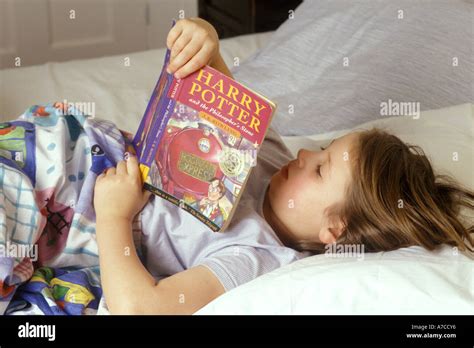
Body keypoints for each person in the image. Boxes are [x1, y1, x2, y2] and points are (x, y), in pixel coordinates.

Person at [93, 18, 473, 315]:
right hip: (85, 139)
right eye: (321, 149)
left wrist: (113, 217)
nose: (304, 155)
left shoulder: (255, 258)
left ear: (334, 229)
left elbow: (140, 308)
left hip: (80, 199)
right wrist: (202, 35)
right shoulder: (270, 156)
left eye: (321, 169)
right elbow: (213, 72)